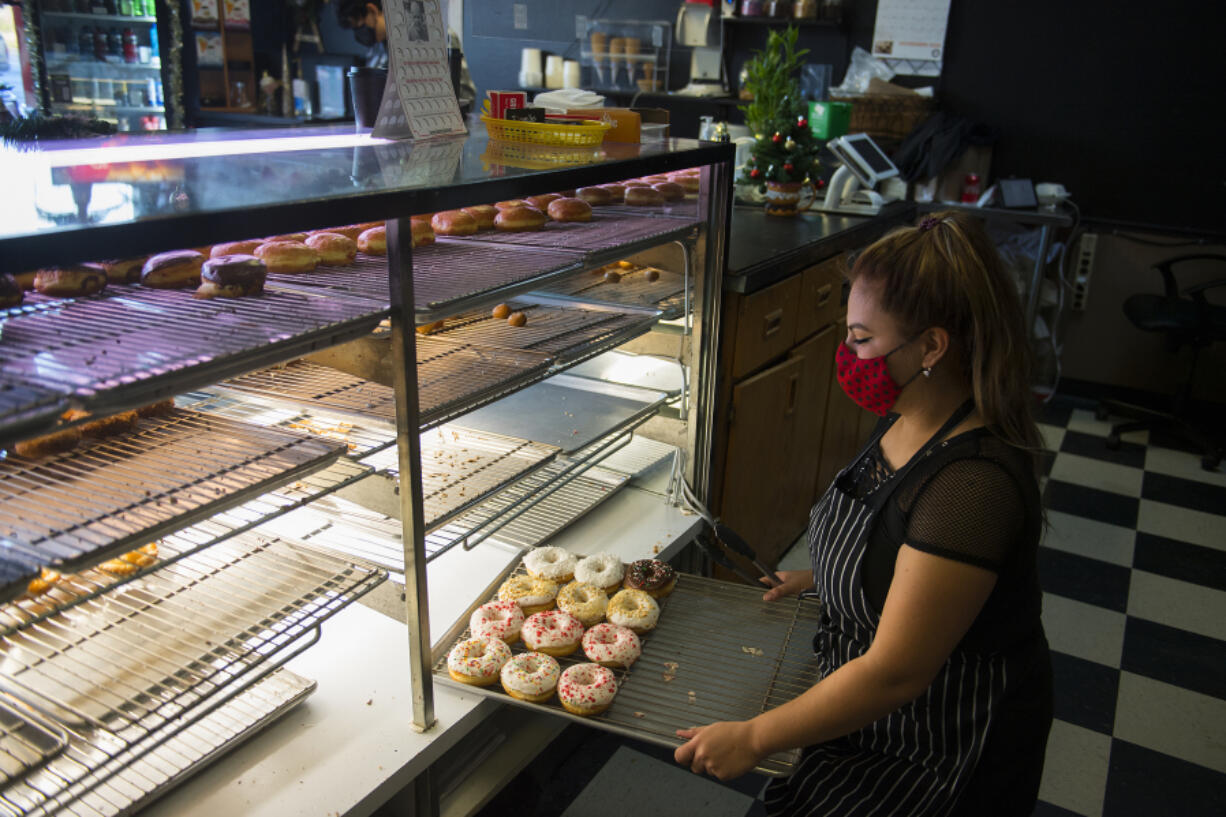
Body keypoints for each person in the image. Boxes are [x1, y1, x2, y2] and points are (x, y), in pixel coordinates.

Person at [675, 211, 1053, 817]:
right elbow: (894, 551)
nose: (846, 354)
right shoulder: (911, 418)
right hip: (868, 719)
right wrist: (829, 579)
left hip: (935, 748)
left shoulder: (972, 486)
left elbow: (897, 673)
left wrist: (754, 736)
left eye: (861, 338)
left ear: (931, 346)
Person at [335, 0, 475, 110]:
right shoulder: (377, 49)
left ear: (372, 9)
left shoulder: (435, 36)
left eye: (359, 25)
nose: (360, 34)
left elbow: (465, 96)